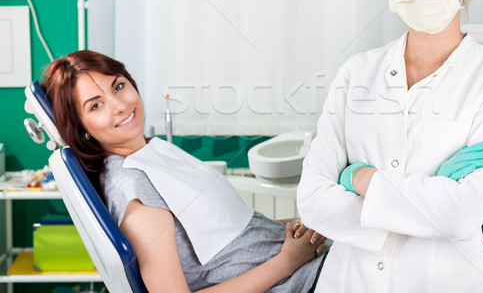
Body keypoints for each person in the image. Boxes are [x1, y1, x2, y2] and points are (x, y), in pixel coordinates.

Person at [296, 0, 483, 293]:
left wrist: (360, 177)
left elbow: (461, 215)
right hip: (349, 281)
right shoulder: (357, 72)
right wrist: (428, 195)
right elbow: (312, 201)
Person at [42, 50, 328, 293]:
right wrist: (287, 261)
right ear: (81, 129)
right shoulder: (135, 190)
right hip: (301, 280)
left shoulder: (150, 149)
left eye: (118, 86)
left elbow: (225, 229)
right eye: (96, 105)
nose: (120, 105)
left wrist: (300, 225)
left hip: (305, 260)